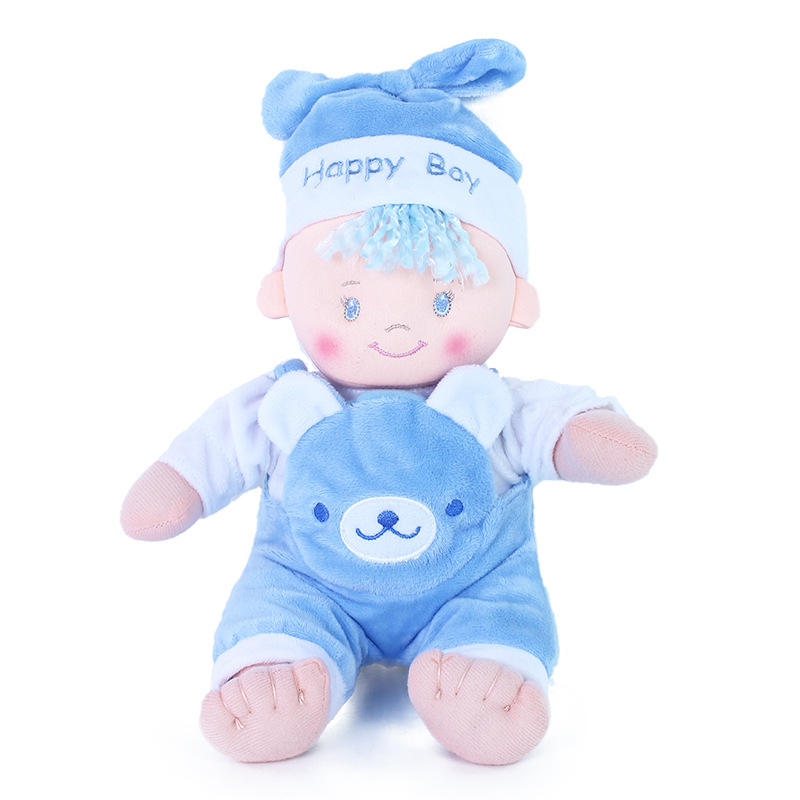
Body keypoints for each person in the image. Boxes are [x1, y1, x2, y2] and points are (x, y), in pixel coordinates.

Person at [121, 40, 657, 766]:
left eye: (442, 300)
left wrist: (595, 436)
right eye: (350, 304)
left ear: (515, 298)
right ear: (283, 291)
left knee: (501, 616)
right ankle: (280, 660)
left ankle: (487, 670)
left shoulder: (496, 404)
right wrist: (175, 487)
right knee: (277, 608)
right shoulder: (285, 403)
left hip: (474, 586)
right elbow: (209, 455)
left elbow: (561, 429)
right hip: (308, 583)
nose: (396, 328)